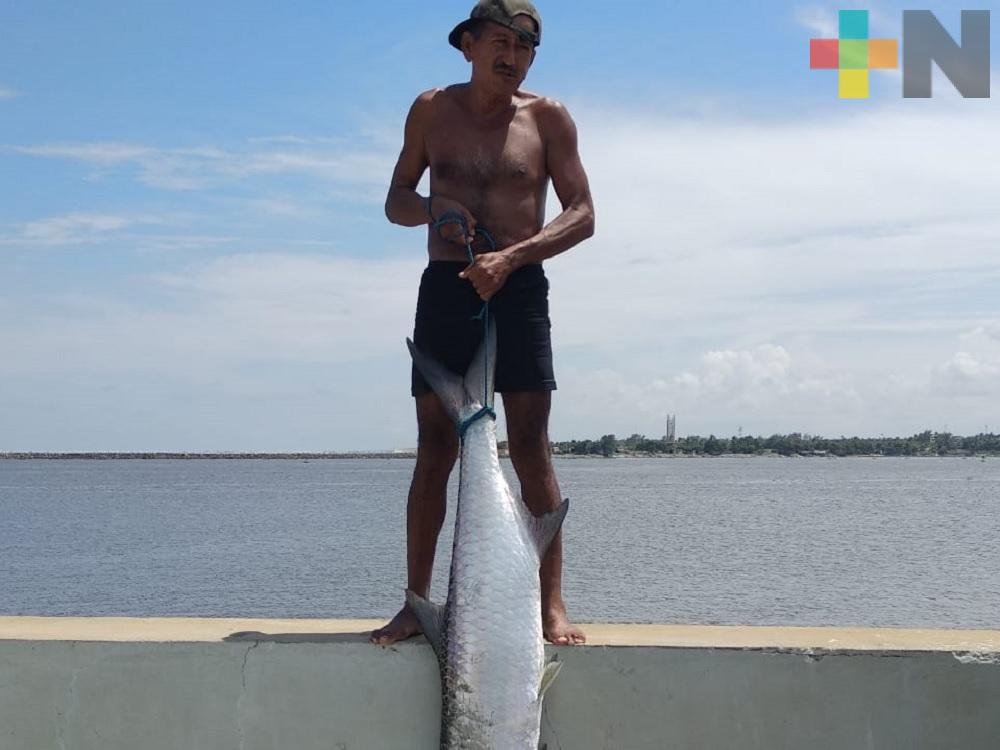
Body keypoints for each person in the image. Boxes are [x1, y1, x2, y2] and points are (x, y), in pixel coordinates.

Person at [371, 0, 594, 647]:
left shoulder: (548, 119)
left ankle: (550, 606)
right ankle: (416, 604)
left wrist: (513, 258)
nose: (512, 57)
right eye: (500, 41)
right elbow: (395, 200)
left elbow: (582, 212)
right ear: (467, 45)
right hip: (448, 285)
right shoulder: (431, 111)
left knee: (531, 445)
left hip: (519, 286)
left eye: (525, 48)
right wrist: (435, 208)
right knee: (435, 448)